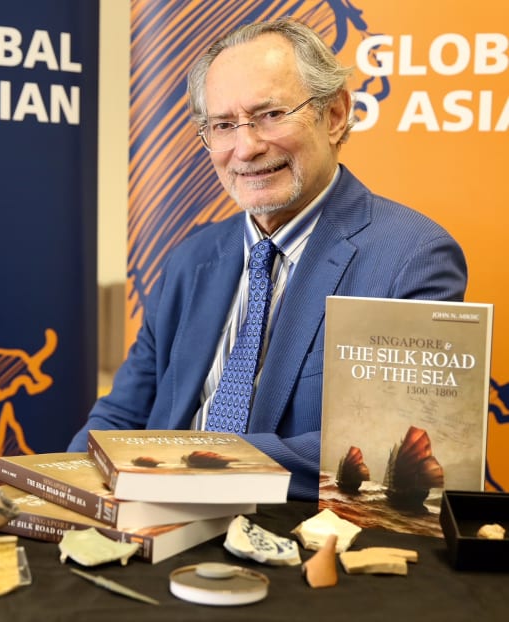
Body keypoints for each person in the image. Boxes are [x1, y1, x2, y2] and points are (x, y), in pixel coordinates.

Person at [67, 19, 467, 499]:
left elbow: (389, 450)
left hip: (294, 529)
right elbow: (121, 415)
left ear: (335, 115)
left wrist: (192, 465)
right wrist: (65, 488)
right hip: (150, 518)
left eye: (271, 114)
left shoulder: (412, 258)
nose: (246, 147)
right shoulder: (189, 261)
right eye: (223, 125)